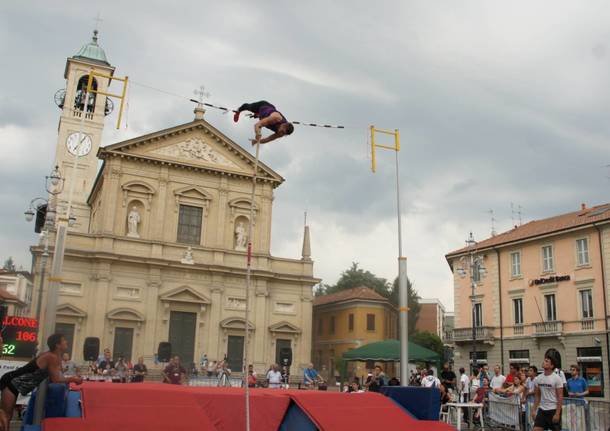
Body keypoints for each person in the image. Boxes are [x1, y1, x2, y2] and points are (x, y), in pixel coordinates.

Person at [0, 334, 82, 431]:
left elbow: (57, 376)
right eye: (64, 340)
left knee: (6, 415)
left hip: (16, 383)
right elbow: (55, 379)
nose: (66, 342)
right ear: (57, 345)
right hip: (11, 381)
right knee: (6, 415)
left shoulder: (55, 357)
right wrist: (73, 379)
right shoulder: (51, 357)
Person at [532, 350, 563, 431]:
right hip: (542, 410)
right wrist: (534, 409)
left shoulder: (557, 378)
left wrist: (557, 413)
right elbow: (537, 395)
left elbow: (560, 396)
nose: (544, 362)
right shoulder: (538, 378)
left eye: (547, 361)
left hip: (553, 409)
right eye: (544, 360)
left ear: (551, 366)